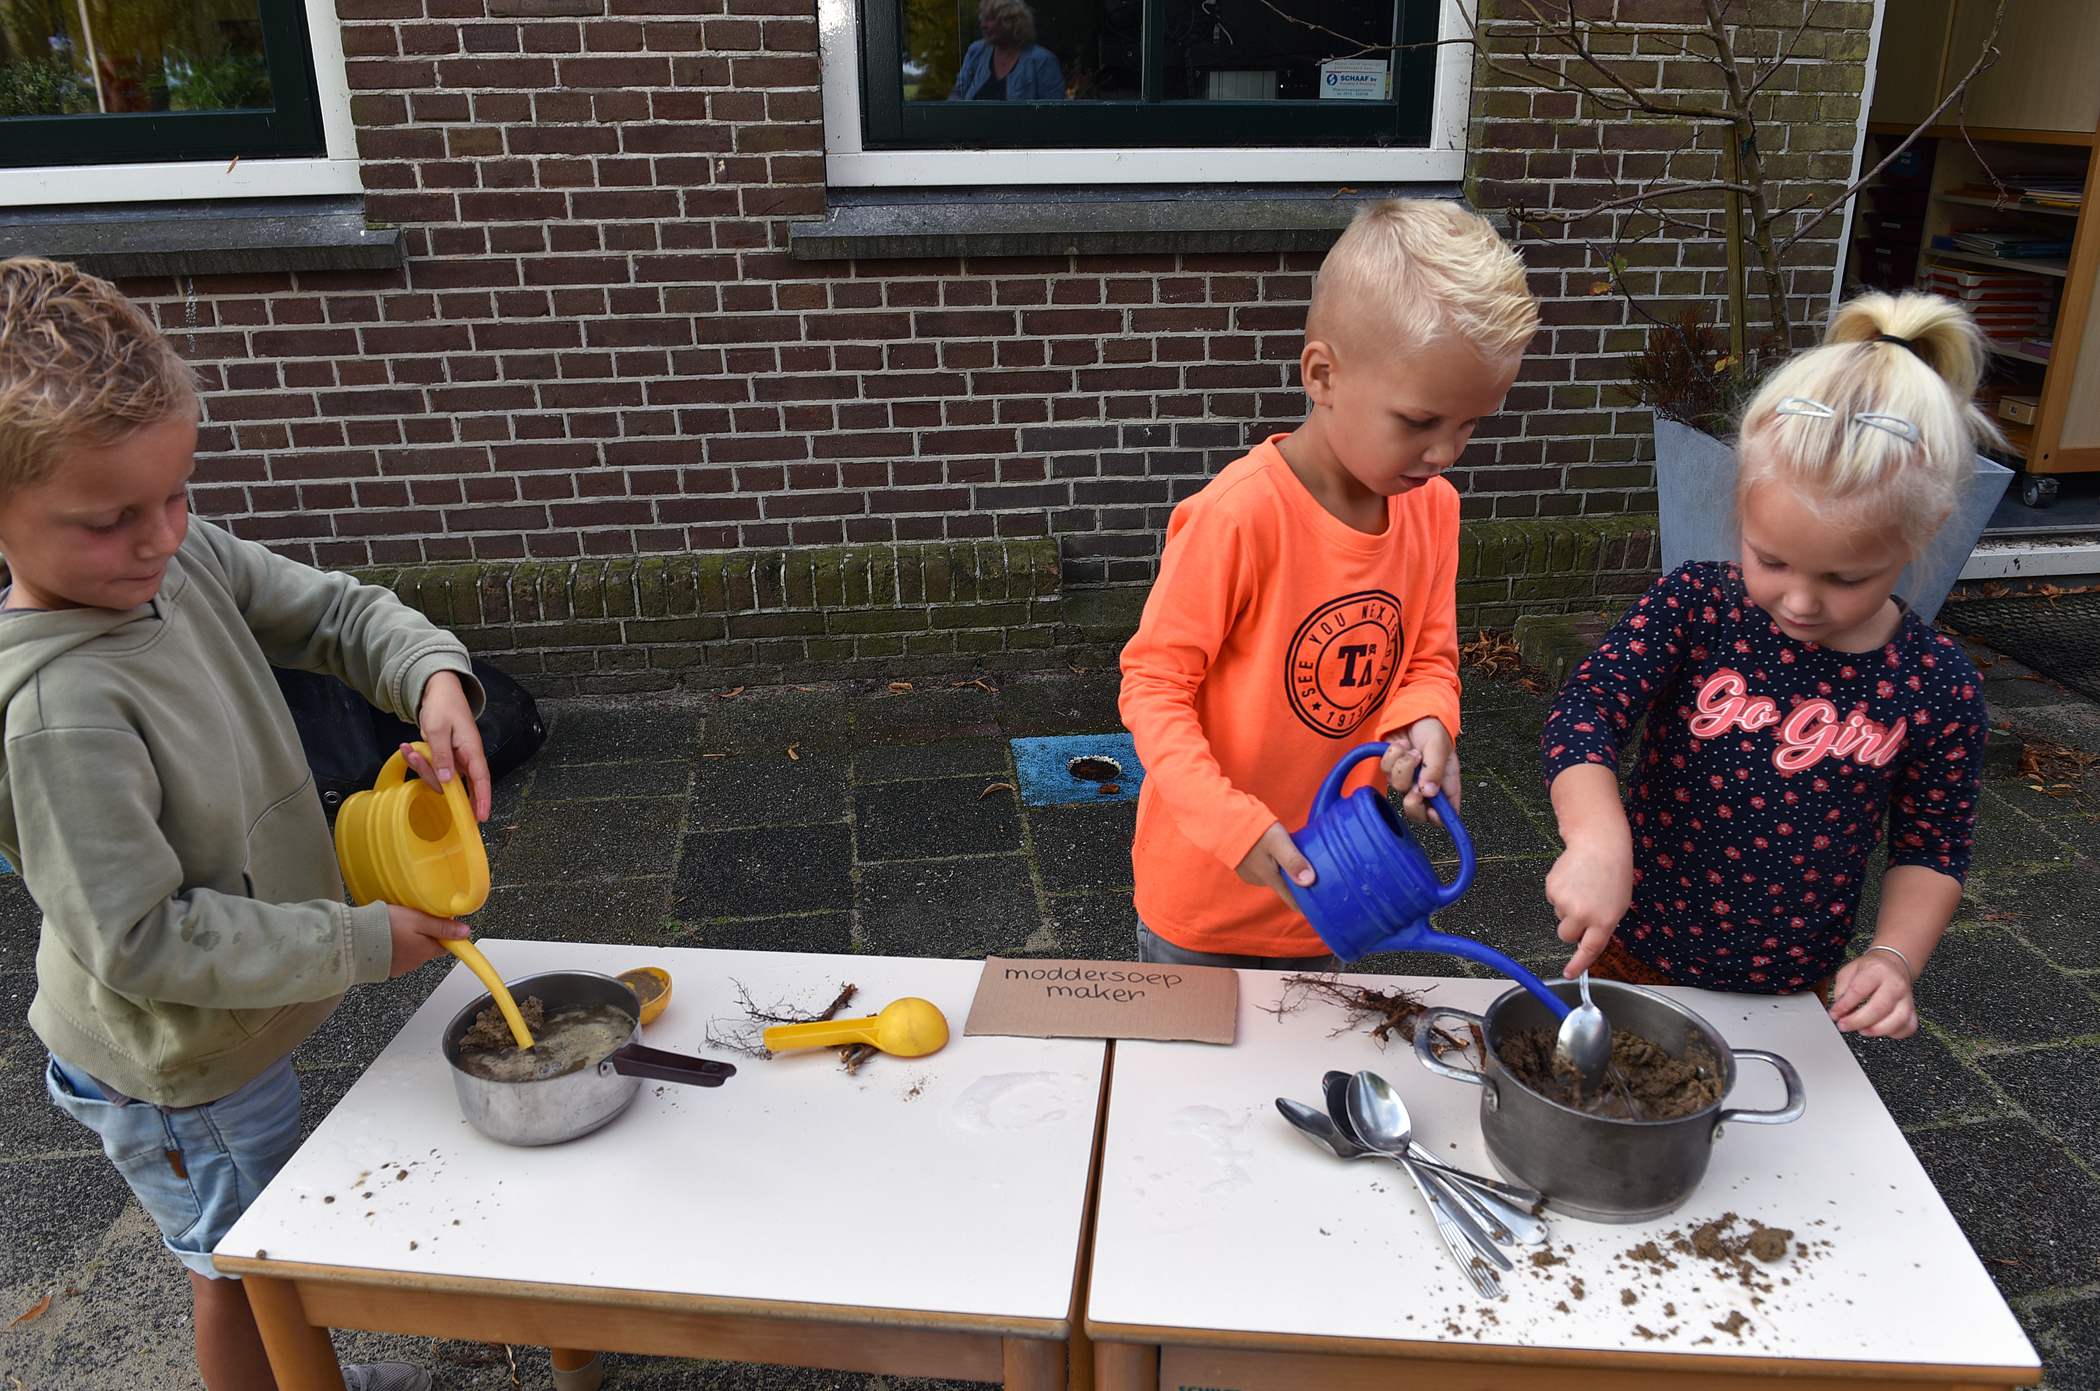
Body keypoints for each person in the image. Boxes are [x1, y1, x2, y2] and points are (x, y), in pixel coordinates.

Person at [0, 256, 491, 1391]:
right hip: (179, 1064)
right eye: (109, 518)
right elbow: (147, 941)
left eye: (176, 493)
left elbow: (328, 610)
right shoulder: (62, 717)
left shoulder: (172, 564)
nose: (162, 536)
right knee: (245, 1263)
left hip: (238, 1030)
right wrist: (362, 938)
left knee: (264, 1245)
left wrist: (430, 674)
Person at [1542, 290, 1998, 1039]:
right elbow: (1585, 710)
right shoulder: (1698, 607)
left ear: (1927, 531)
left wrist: (1892, 958)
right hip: (1634, 954)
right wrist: (1596, 836)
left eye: (1845, 577)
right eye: (1771, 558)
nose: (1800, 600)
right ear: (1742, 504)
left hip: (1796, 989)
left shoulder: (1937, 685)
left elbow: (1934, 844)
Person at [1118, 199, 1539, 968]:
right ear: (1323, 375)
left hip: (1339, 898)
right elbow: (1153, 684)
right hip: (1204, 906)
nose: (1446, 451)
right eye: (1419, 420)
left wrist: (1427, 722)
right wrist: (1230, 824)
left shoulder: (1432, 509)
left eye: (1472, 424)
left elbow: (1426, 660)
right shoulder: (1238, 517)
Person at [949, 0, 1066, 101]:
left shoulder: (1042, 61)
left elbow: (1056, 114)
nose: (982, 25)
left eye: (989, 19)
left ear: (1010, 21)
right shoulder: (976, 52)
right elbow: (958, 93)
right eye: (982, 19)